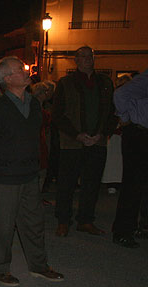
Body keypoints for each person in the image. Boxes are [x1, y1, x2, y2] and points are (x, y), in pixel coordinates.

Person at [0, 56, 64, 286]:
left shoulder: (33, 104)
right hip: (4, 179)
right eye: (20, 70)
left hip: (29, 175)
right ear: (7, 79)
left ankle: (39, 265)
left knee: (34, 223)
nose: (26, 72)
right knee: (1, 226)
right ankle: (0, 267)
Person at [52, 46, 117, 237]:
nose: (88, 59)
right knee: (66, 184)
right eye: (83, 56)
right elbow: (58, 115)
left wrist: (102, 133)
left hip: (97, 142)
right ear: (76, 60)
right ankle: (63, 221)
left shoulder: (105, 82)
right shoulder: (65, 83)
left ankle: (86, 220)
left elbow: (112, 112)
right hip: (72, 143)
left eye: (90, 56)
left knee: (92, 184)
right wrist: (76, 134)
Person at [111, 68, 148, 248]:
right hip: (138, 133)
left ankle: (142, 226)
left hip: (141, 133)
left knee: (143, 184)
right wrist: (124, 118)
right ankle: (123, 231)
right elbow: (120, 94)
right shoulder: (144, 80)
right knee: (133, 184)